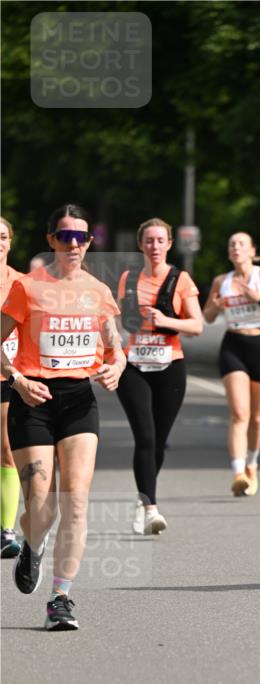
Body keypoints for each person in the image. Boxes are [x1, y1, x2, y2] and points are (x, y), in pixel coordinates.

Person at [0, 203, 126, 630]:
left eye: (82, 237)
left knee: (75, 501)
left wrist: (116, 366)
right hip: (32, 397)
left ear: (90, 242)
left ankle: (60, 598)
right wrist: (16, 380)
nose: (75, 244)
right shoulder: (27, 287)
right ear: (52, 240)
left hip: (77, 399)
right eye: (66, 236)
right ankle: (32, 544)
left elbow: (116, 348)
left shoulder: (98, 291)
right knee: (41, 503)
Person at [116, 218, 203, 534]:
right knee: (145, 436)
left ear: (168, 244)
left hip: (170, 366)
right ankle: (151, 507)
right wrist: (110, 352)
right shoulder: (128, 278)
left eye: (160, 240)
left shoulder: (180, 279)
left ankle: (142, 500)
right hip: (134, 366)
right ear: (141, 245)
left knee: (159, 441)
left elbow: (196, 325)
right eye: (149, 240)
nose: (154, 246)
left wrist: (167, 320)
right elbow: (115, 319)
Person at [203, 232, 260, 496]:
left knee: (257, 417)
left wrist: (259, 299)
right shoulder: (222, 281)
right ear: (229, 253)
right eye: (232, 245)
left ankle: (252, 464)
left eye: (241, 244)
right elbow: (207, 316)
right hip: (234, 346)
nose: (236, 247)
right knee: (240, 413)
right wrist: (216, 306)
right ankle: (238, 472)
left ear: (252, 250)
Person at [0, 217, 24, 558]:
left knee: (6, 447)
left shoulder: (22, 282)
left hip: (8, 372)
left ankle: (6, 531)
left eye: (3, 236)